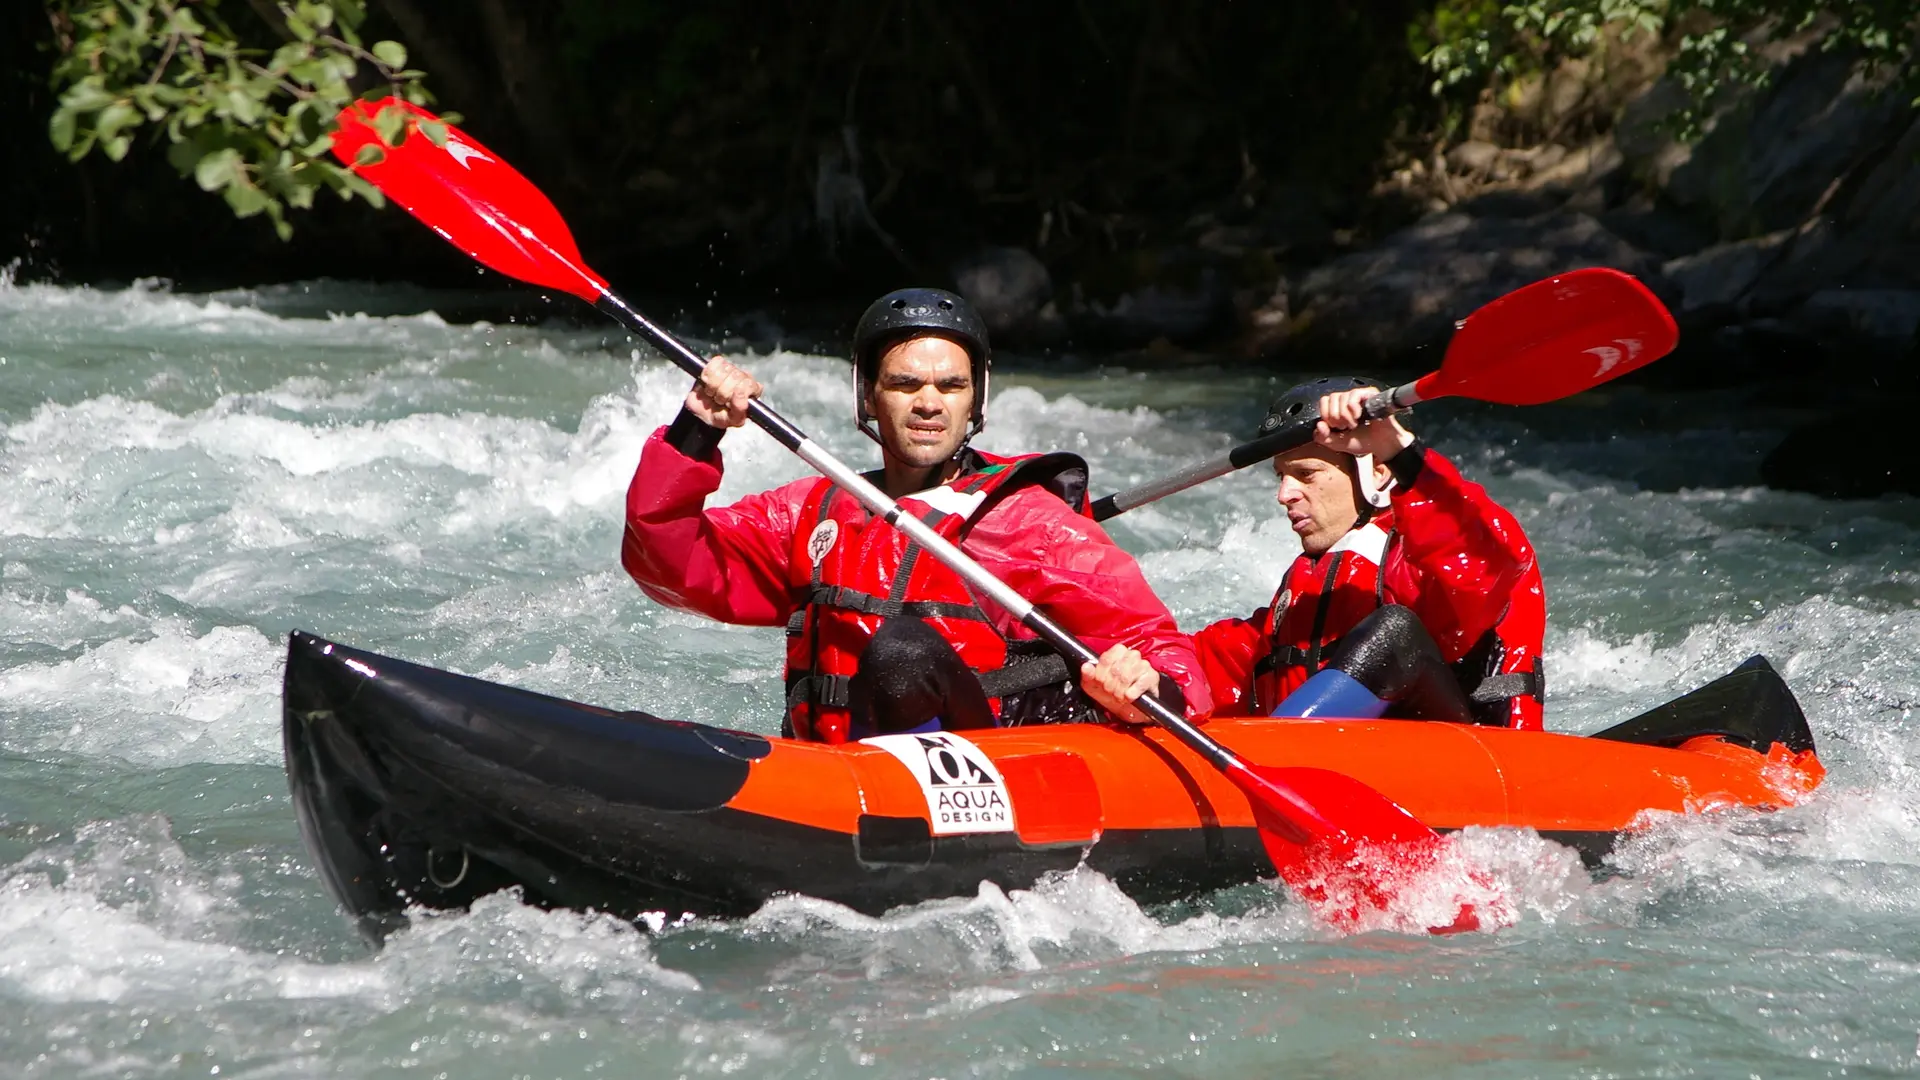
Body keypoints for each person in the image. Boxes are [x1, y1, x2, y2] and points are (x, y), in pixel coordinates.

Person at [621, 287, 1212, 743]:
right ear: (869, 396)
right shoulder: (811, 511)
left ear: (974, 399)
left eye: (950, 386)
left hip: (982, 776)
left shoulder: (1031, 522)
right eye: (905, 384)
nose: (929, 403)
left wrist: (1146, 684)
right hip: (835, 768)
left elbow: (1160, 646)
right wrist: (696, 430)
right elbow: (666, 561)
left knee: (904, 650)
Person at [1192, 376, 1546, 728]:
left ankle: (1277, 754)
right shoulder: (1305, 591)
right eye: (1281, 476)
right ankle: (1279, 753)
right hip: (1330, 762)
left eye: (1305, 474)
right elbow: (1212, 663)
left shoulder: (1427, 552)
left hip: (1459, 765)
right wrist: (1146, 662)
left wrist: (1400, 451)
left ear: (1377, 472)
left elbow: (1476, 569)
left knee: (1395, 635)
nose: (1284, 494)